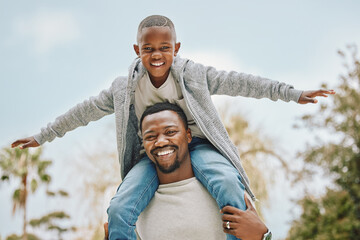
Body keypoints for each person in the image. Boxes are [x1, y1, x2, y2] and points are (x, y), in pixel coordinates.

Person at [11, 15, 335, 240]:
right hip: (152, 154)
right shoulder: (123, 89)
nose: (156, 55)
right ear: (137, 50)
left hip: (200, 146)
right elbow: (83, 112)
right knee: (120, 208)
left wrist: (293, 94)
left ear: (176, 49)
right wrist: (43, 135)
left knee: (227, 184)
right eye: (148, 48)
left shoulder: (194, 76)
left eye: (164, 48)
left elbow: (245, 83)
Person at [104, 102, 270, 240]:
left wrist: (263, 236)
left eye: (170, 132)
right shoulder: (134, 206)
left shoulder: (229, 191)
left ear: (188, 136)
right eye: (150, 137)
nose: (160, 142)